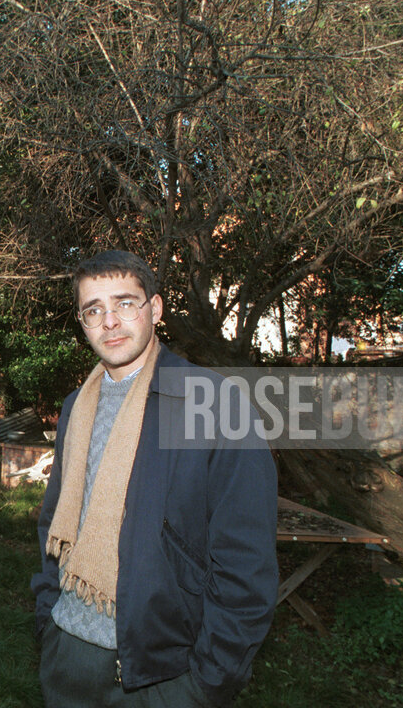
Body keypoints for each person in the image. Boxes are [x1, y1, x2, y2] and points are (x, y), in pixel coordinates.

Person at [31, 250, 277, 707]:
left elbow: (246, 562)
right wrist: (48, 616)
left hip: (163, 674)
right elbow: (54, 523)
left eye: (125, 303)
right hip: (67, 657)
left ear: (155, 309)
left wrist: (207, 683)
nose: (110, 321)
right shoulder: (75, 408)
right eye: (94, 309)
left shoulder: (217, 405)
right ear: (82, 323)